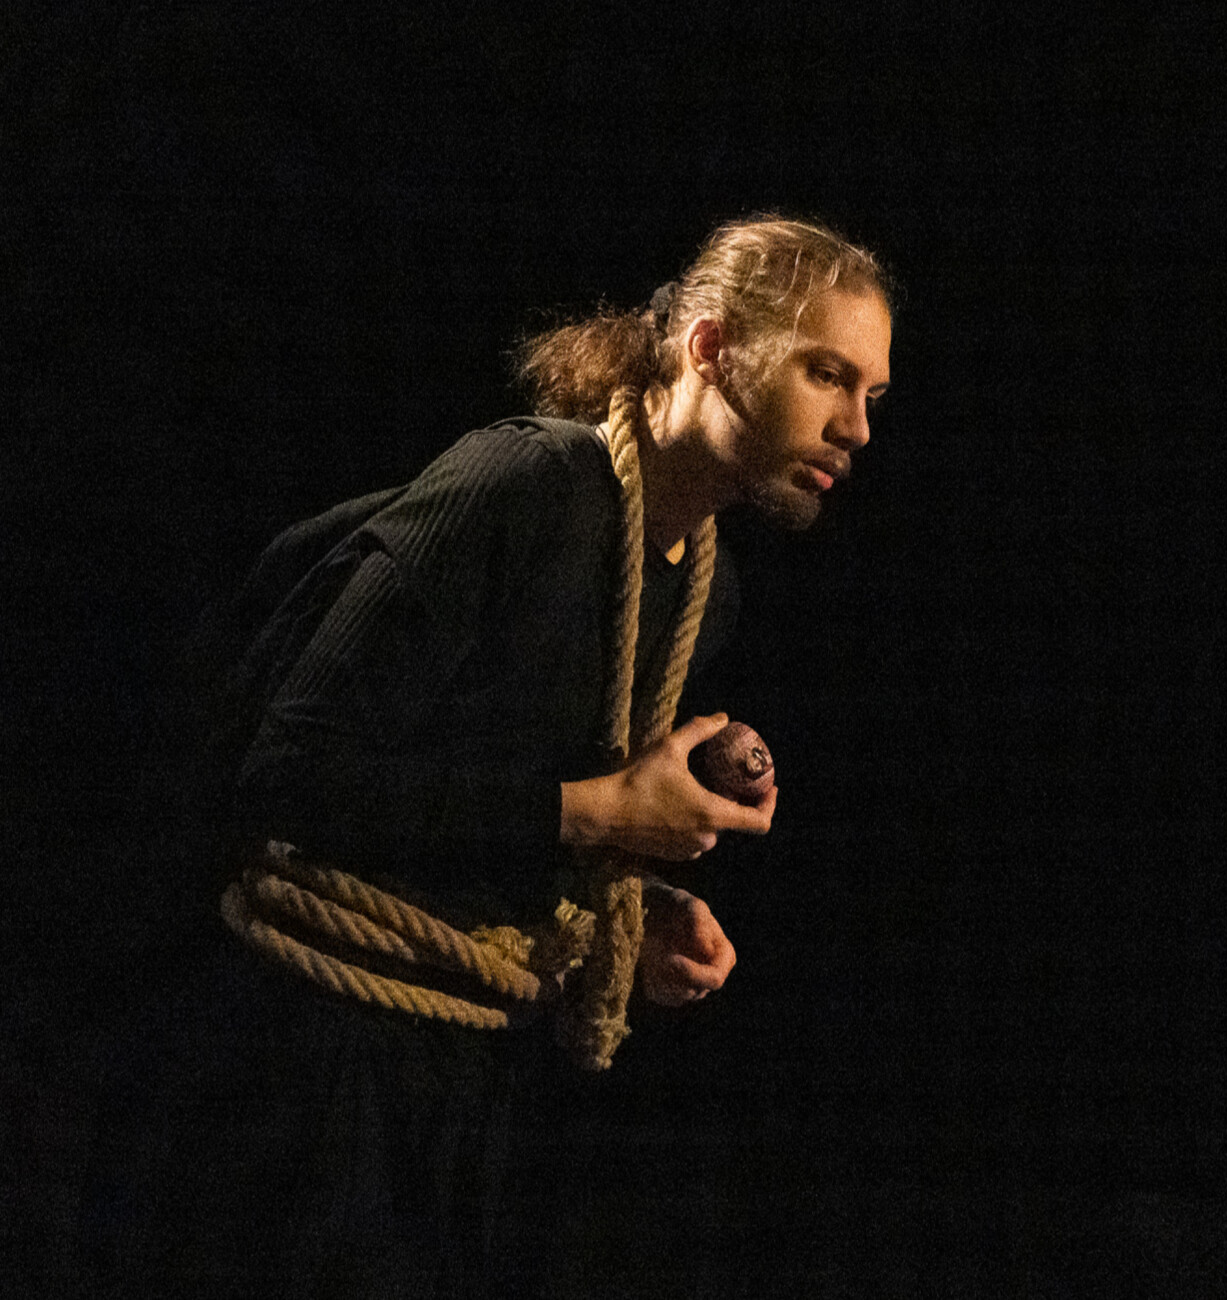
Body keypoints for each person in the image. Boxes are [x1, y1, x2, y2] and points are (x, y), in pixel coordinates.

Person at [78, 214, 894, 1297]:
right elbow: (291, 769)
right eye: (825, 373)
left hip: (464, 1084)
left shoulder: (707, 590)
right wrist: (599, 815)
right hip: (301, 1071)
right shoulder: (524, 483)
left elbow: (494, 796)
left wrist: (631, 910)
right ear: (709, 348)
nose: (855, 427)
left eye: (871, 393)